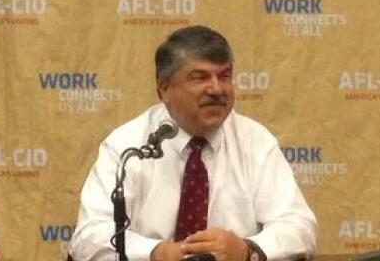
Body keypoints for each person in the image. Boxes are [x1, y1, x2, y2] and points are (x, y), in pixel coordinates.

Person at [69, 25, 317, 261]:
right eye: (200, 78)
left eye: (224, 76)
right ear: (164, 88)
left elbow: (299, 226)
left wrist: (247, 250)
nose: (217, 89)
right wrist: (154, 253)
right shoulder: (127, 147)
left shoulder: (255, 141)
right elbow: (89, 237)